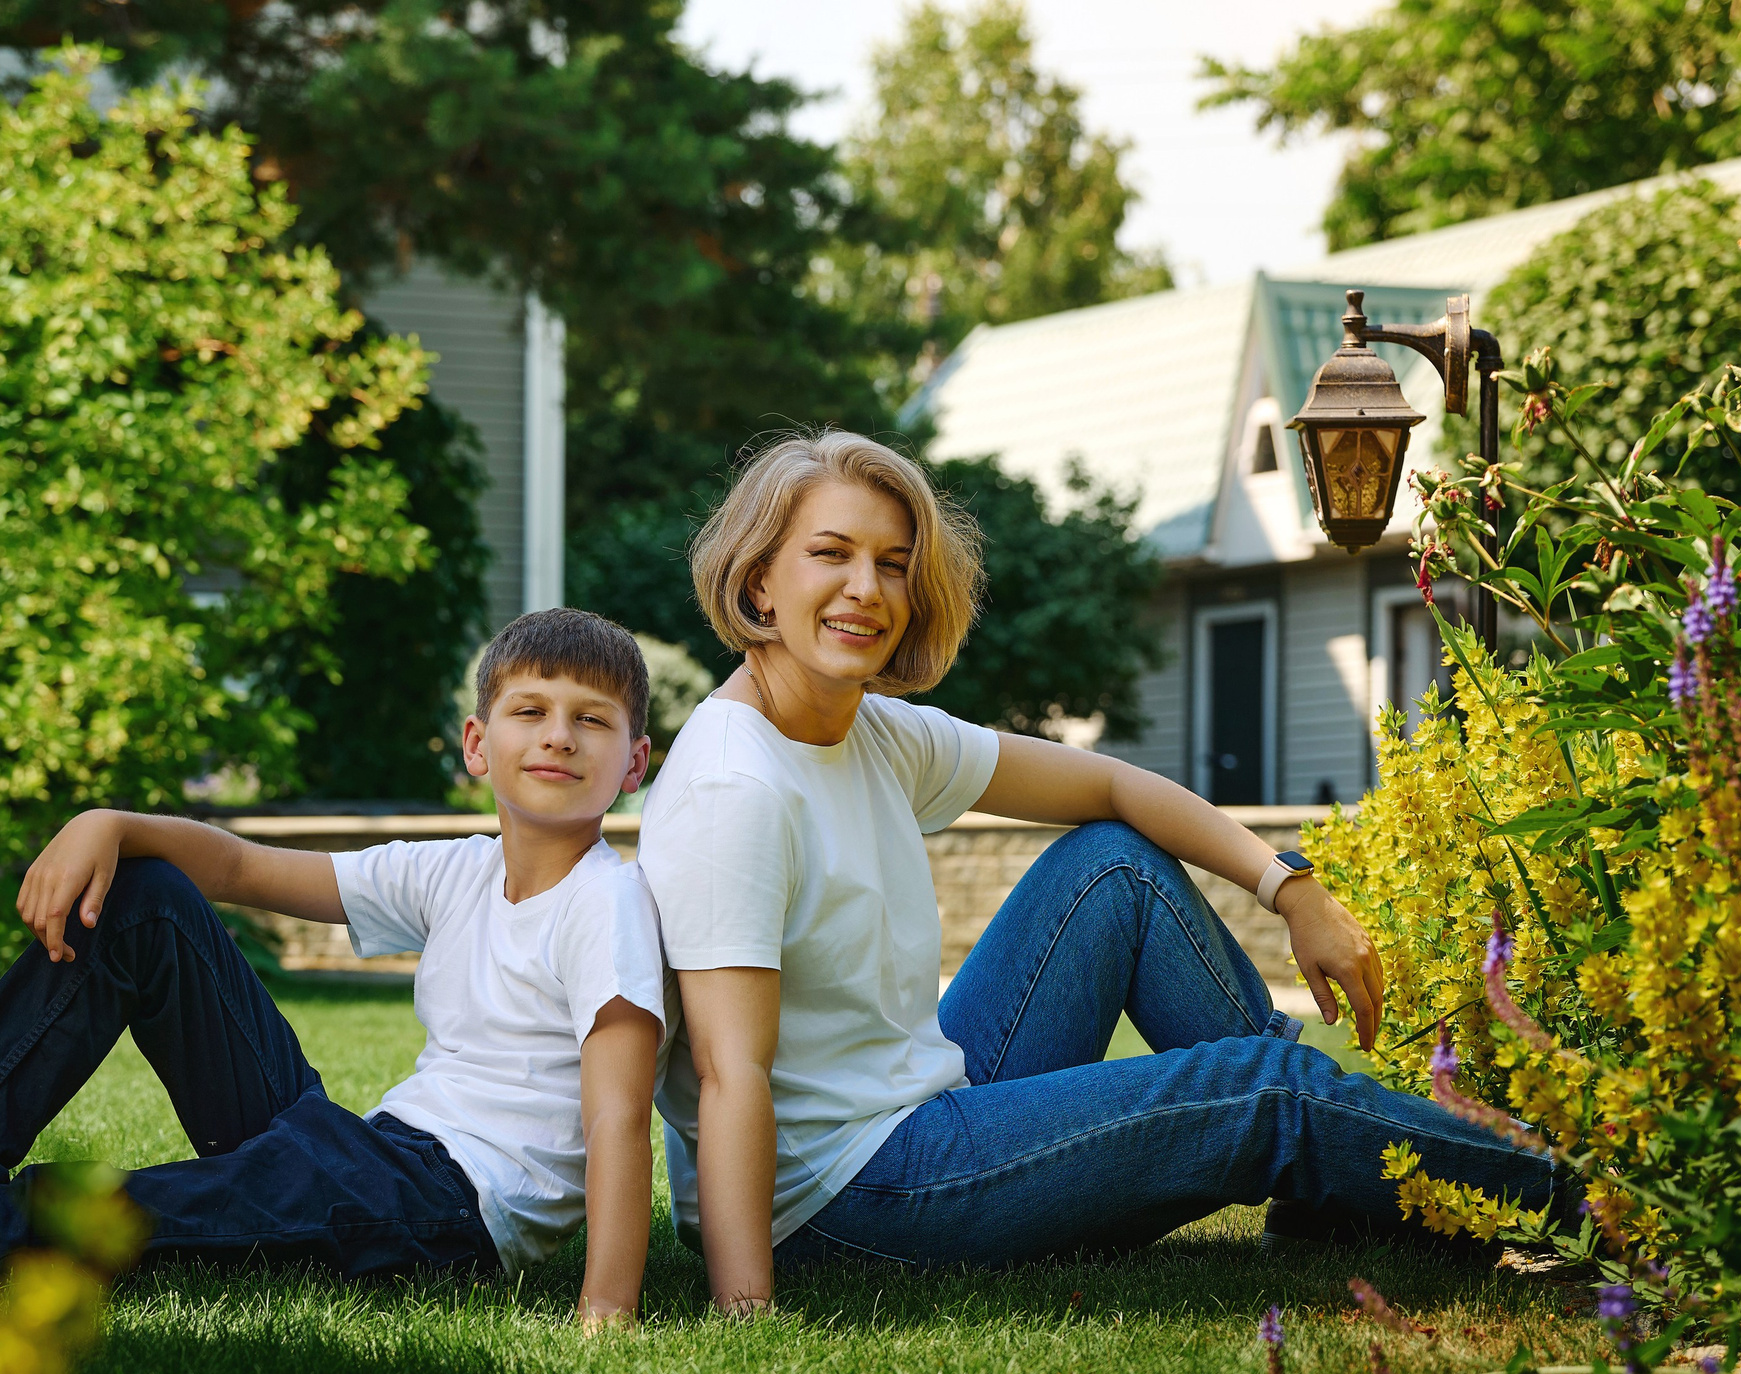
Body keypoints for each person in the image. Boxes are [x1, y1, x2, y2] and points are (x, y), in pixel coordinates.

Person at [636, 431, 1560, 1313]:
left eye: (891, 563)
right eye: (829, 554)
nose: (865, 589)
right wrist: (747, 1305)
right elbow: (727, 1071)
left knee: (1112, 869)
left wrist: (1291, 886)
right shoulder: (735, 787)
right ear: (759, 580)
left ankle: (1338, 1195)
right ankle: (1597, 1204)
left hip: (920, 1109)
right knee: (1263, 1091)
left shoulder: (873, 731)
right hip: (846, 1203)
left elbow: (1113, 785)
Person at [0, 609, 667, 1330]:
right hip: (369, 1152)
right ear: (478, 744)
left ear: (634, 763)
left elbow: (619, 1117)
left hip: (446, 1209)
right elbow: (242, 867)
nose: (558, 737)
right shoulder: (458, 869)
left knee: (134, 1217)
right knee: (146, 899)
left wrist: (607, 1307)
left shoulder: (606, 902)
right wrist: (110, 825)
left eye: (592, 720)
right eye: (531, 710)